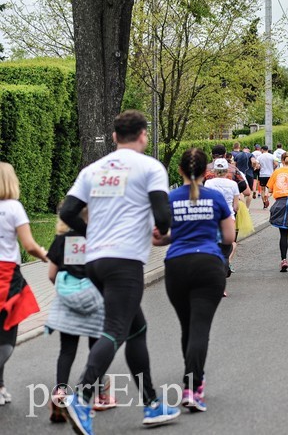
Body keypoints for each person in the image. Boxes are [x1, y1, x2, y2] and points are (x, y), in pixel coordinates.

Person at [59, 110, 180, 433]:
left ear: (114, 137)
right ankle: (81, 398)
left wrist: (90, 233)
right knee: (114, 329)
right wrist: (161, 231)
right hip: (126, 260)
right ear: (143, 135)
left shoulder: (92, 170)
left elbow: (68, 211)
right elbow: (162, 213)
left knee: (135, 329)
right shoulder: (151, 167)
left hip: (95, 261)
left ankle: (153, 404)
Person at [153, 148, 235, 413]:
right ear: (205, 172)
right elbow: (228, 237)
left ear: (179, 171)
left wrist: (170, 237)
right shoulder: (216, 198)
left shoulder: (169, 198)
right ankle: (192, 386)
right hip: (209, 265)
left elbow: (159, 237)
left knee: (187, 326)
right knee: (200, 327)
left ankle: (193, 379)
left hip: (176, 265)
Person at [45, 207, 115, 423]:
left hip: (68, 302)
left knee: (67, 350)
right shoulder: (101, 238)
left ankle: (60, 394)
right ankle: (101, 396)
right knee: (97, 349)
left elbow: (51, 274)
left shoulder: (62, 240)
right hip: (96, 299)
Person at [0, 163, 46, 408]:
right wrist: (45, 256)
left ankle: (1, 386)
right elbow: (28, 245)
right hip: (7, 277)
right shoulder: (14, 208)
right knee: (7, 332)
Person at [267, 152, 288, 271]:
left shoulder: (276, 172)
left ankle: (283, 260)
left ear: (282, 160)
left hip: (280, 202)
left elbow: (270, 189)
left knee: (283, 234)